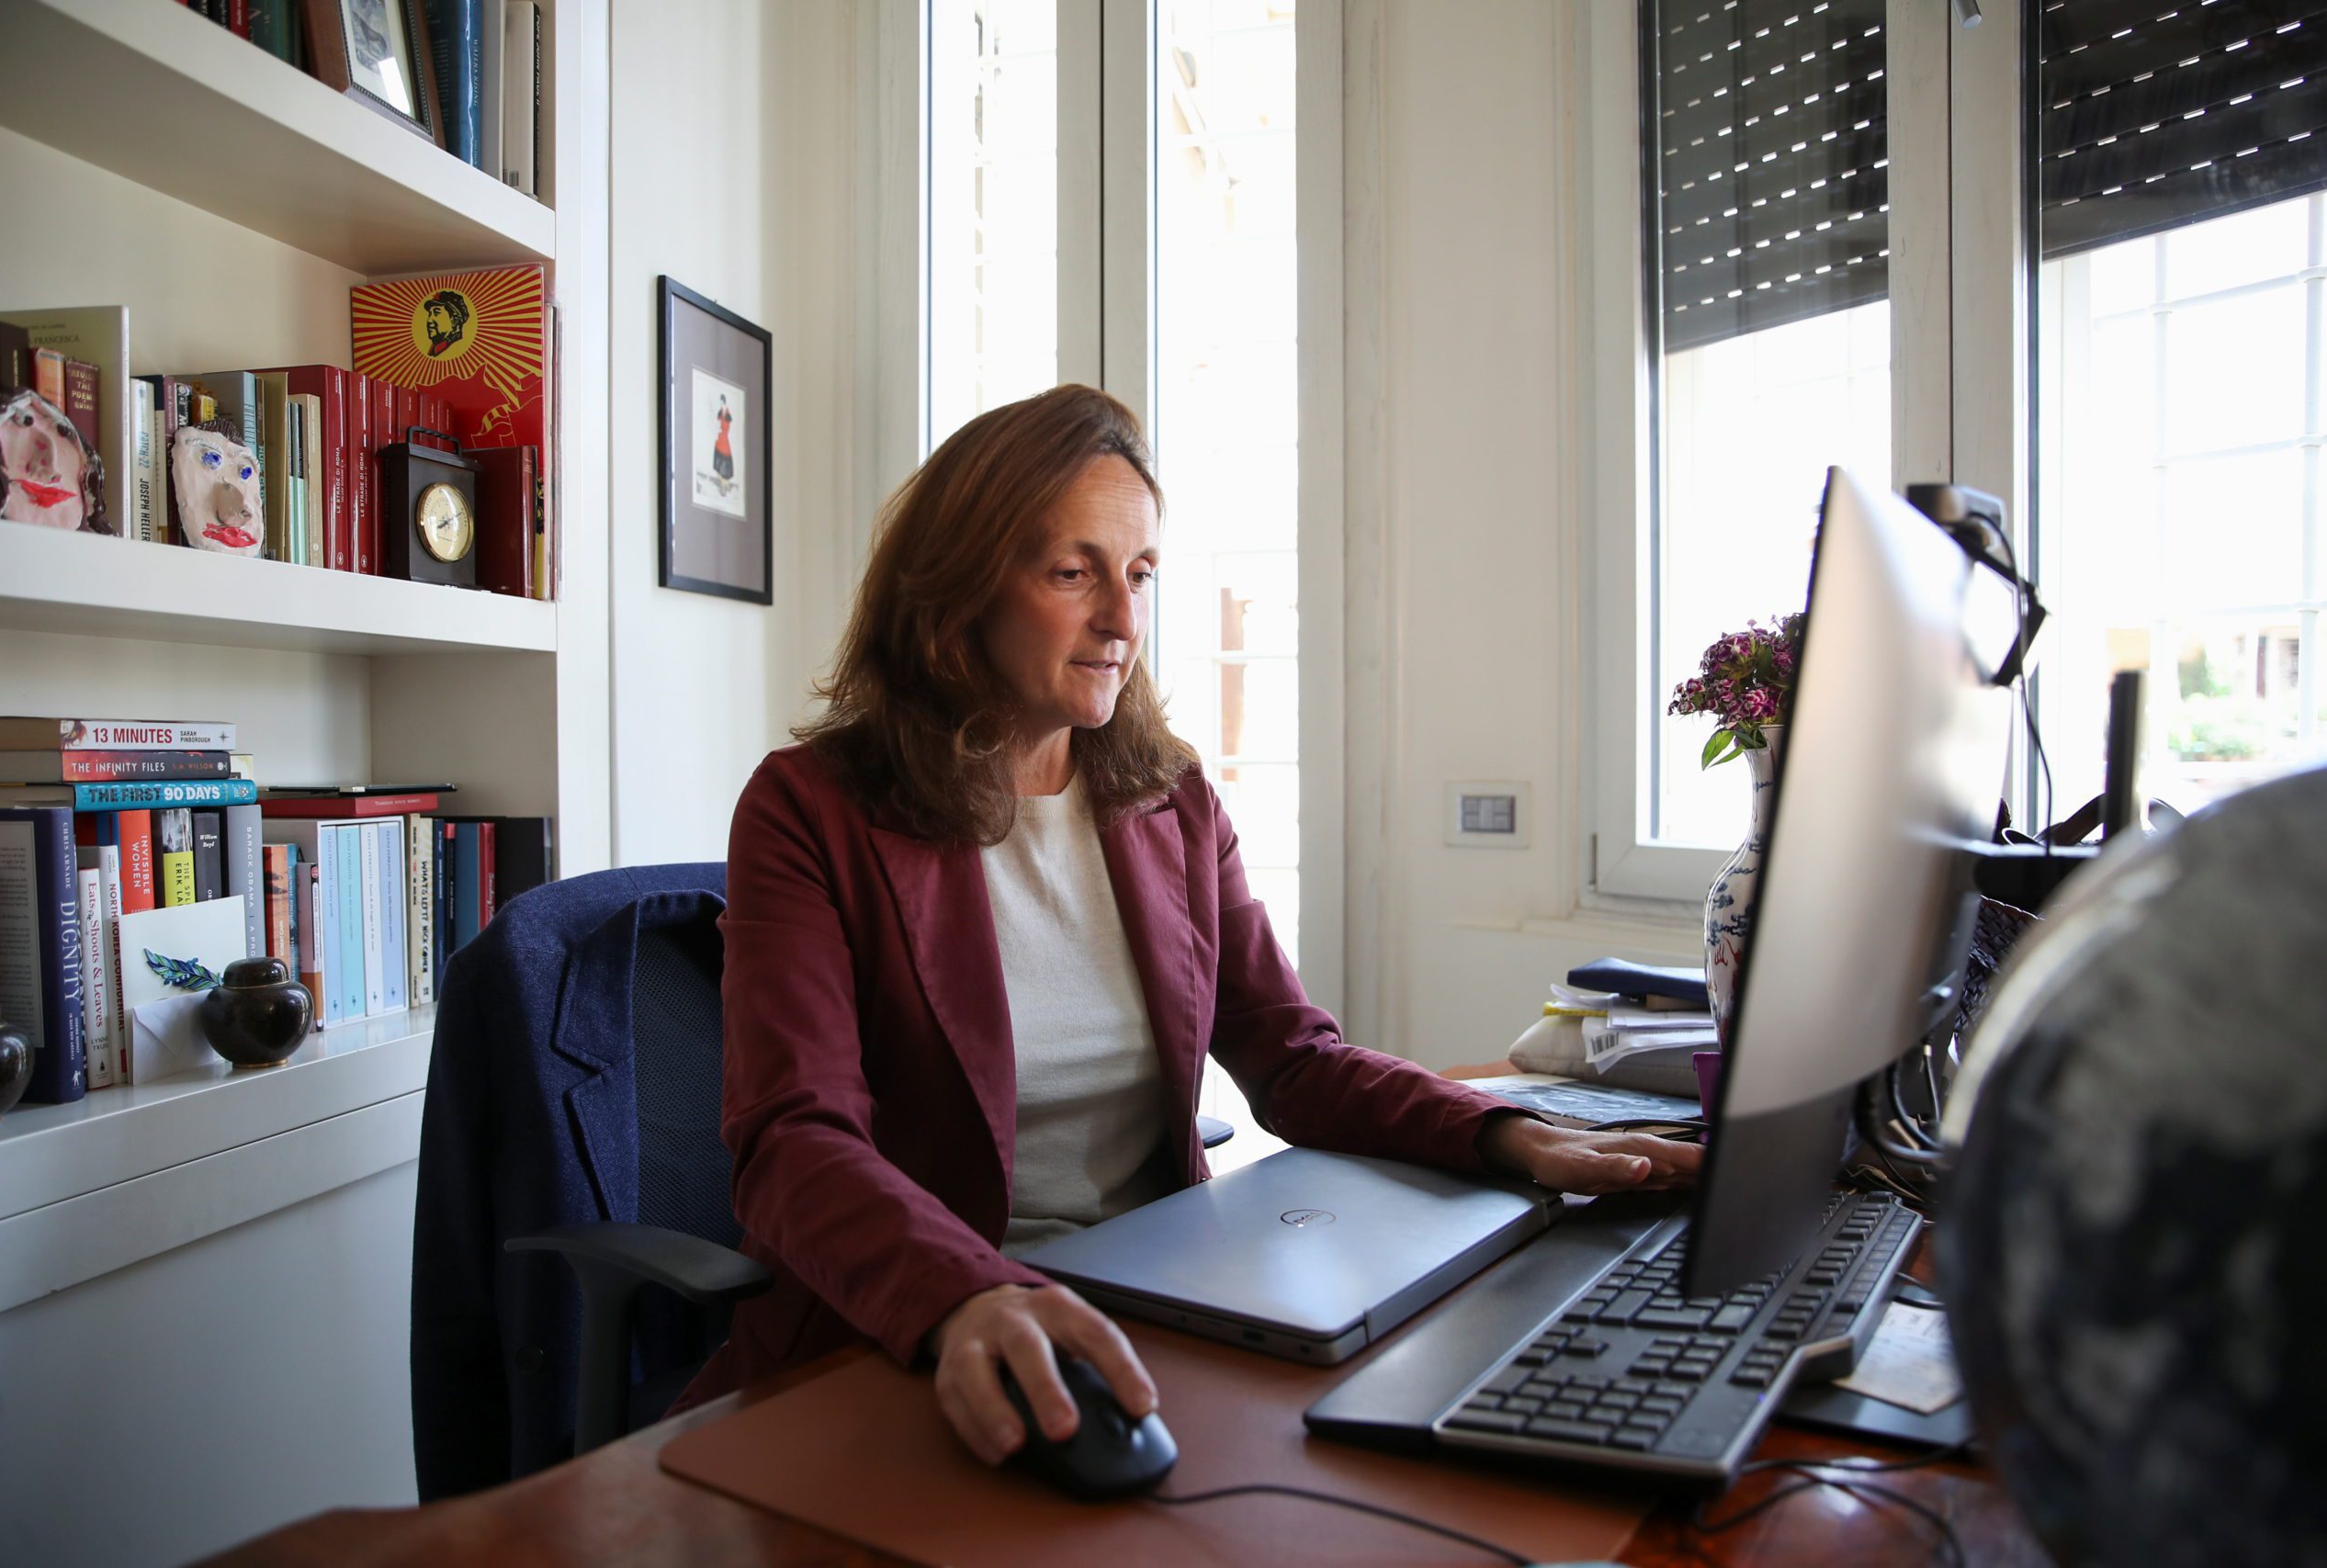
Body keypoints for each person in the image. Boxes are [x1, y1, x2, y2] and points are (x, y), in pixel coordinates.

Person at [680, 385, 1699, 1463]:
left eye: (1141, 573)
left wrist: (1507, 1135)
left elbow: (1295, 1059)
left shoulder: (1169, 801)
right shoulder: (811, 809)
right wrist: (960, 1297)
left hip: (1157, 1306)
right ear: (956, 590)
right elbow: (793, 1141)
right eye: (1073, 573)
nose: (1122, 620)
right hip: (912, 1331)